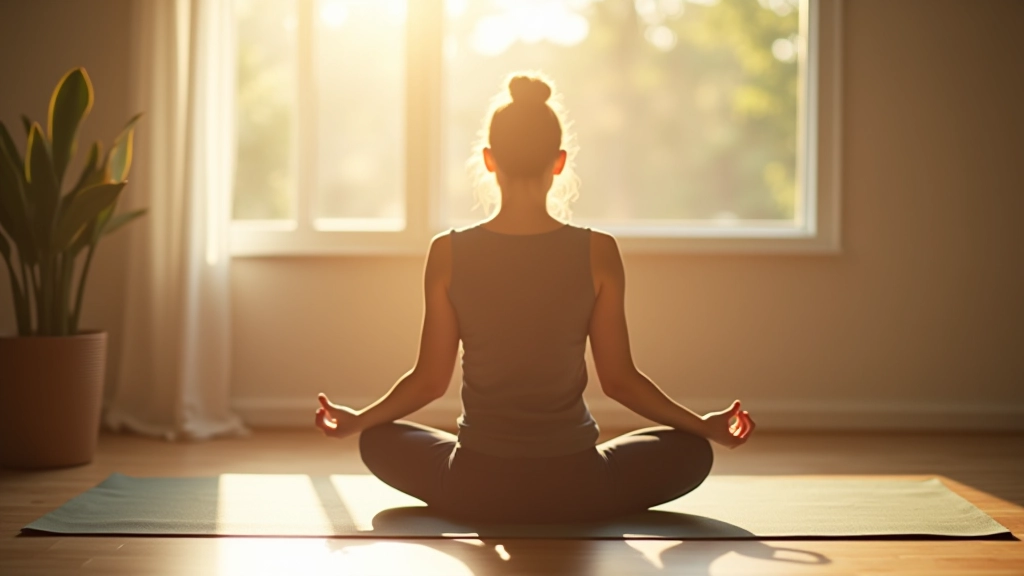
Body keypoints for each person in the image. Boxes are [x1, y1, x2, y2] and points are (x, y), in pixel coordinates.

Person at [314, 73, 755, 524]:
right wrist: (704, 425)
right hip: (576, 483)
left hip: (476, 482)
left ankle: (471, 494)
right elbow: (620, 381)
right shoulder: (598, 251)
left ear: (489, 160)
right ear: (559, 162)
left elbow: (429, 381)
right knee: (692, 450)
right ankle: (585, 500)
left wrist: (357, 420)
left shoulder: (447, 252)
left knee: (378, 438)